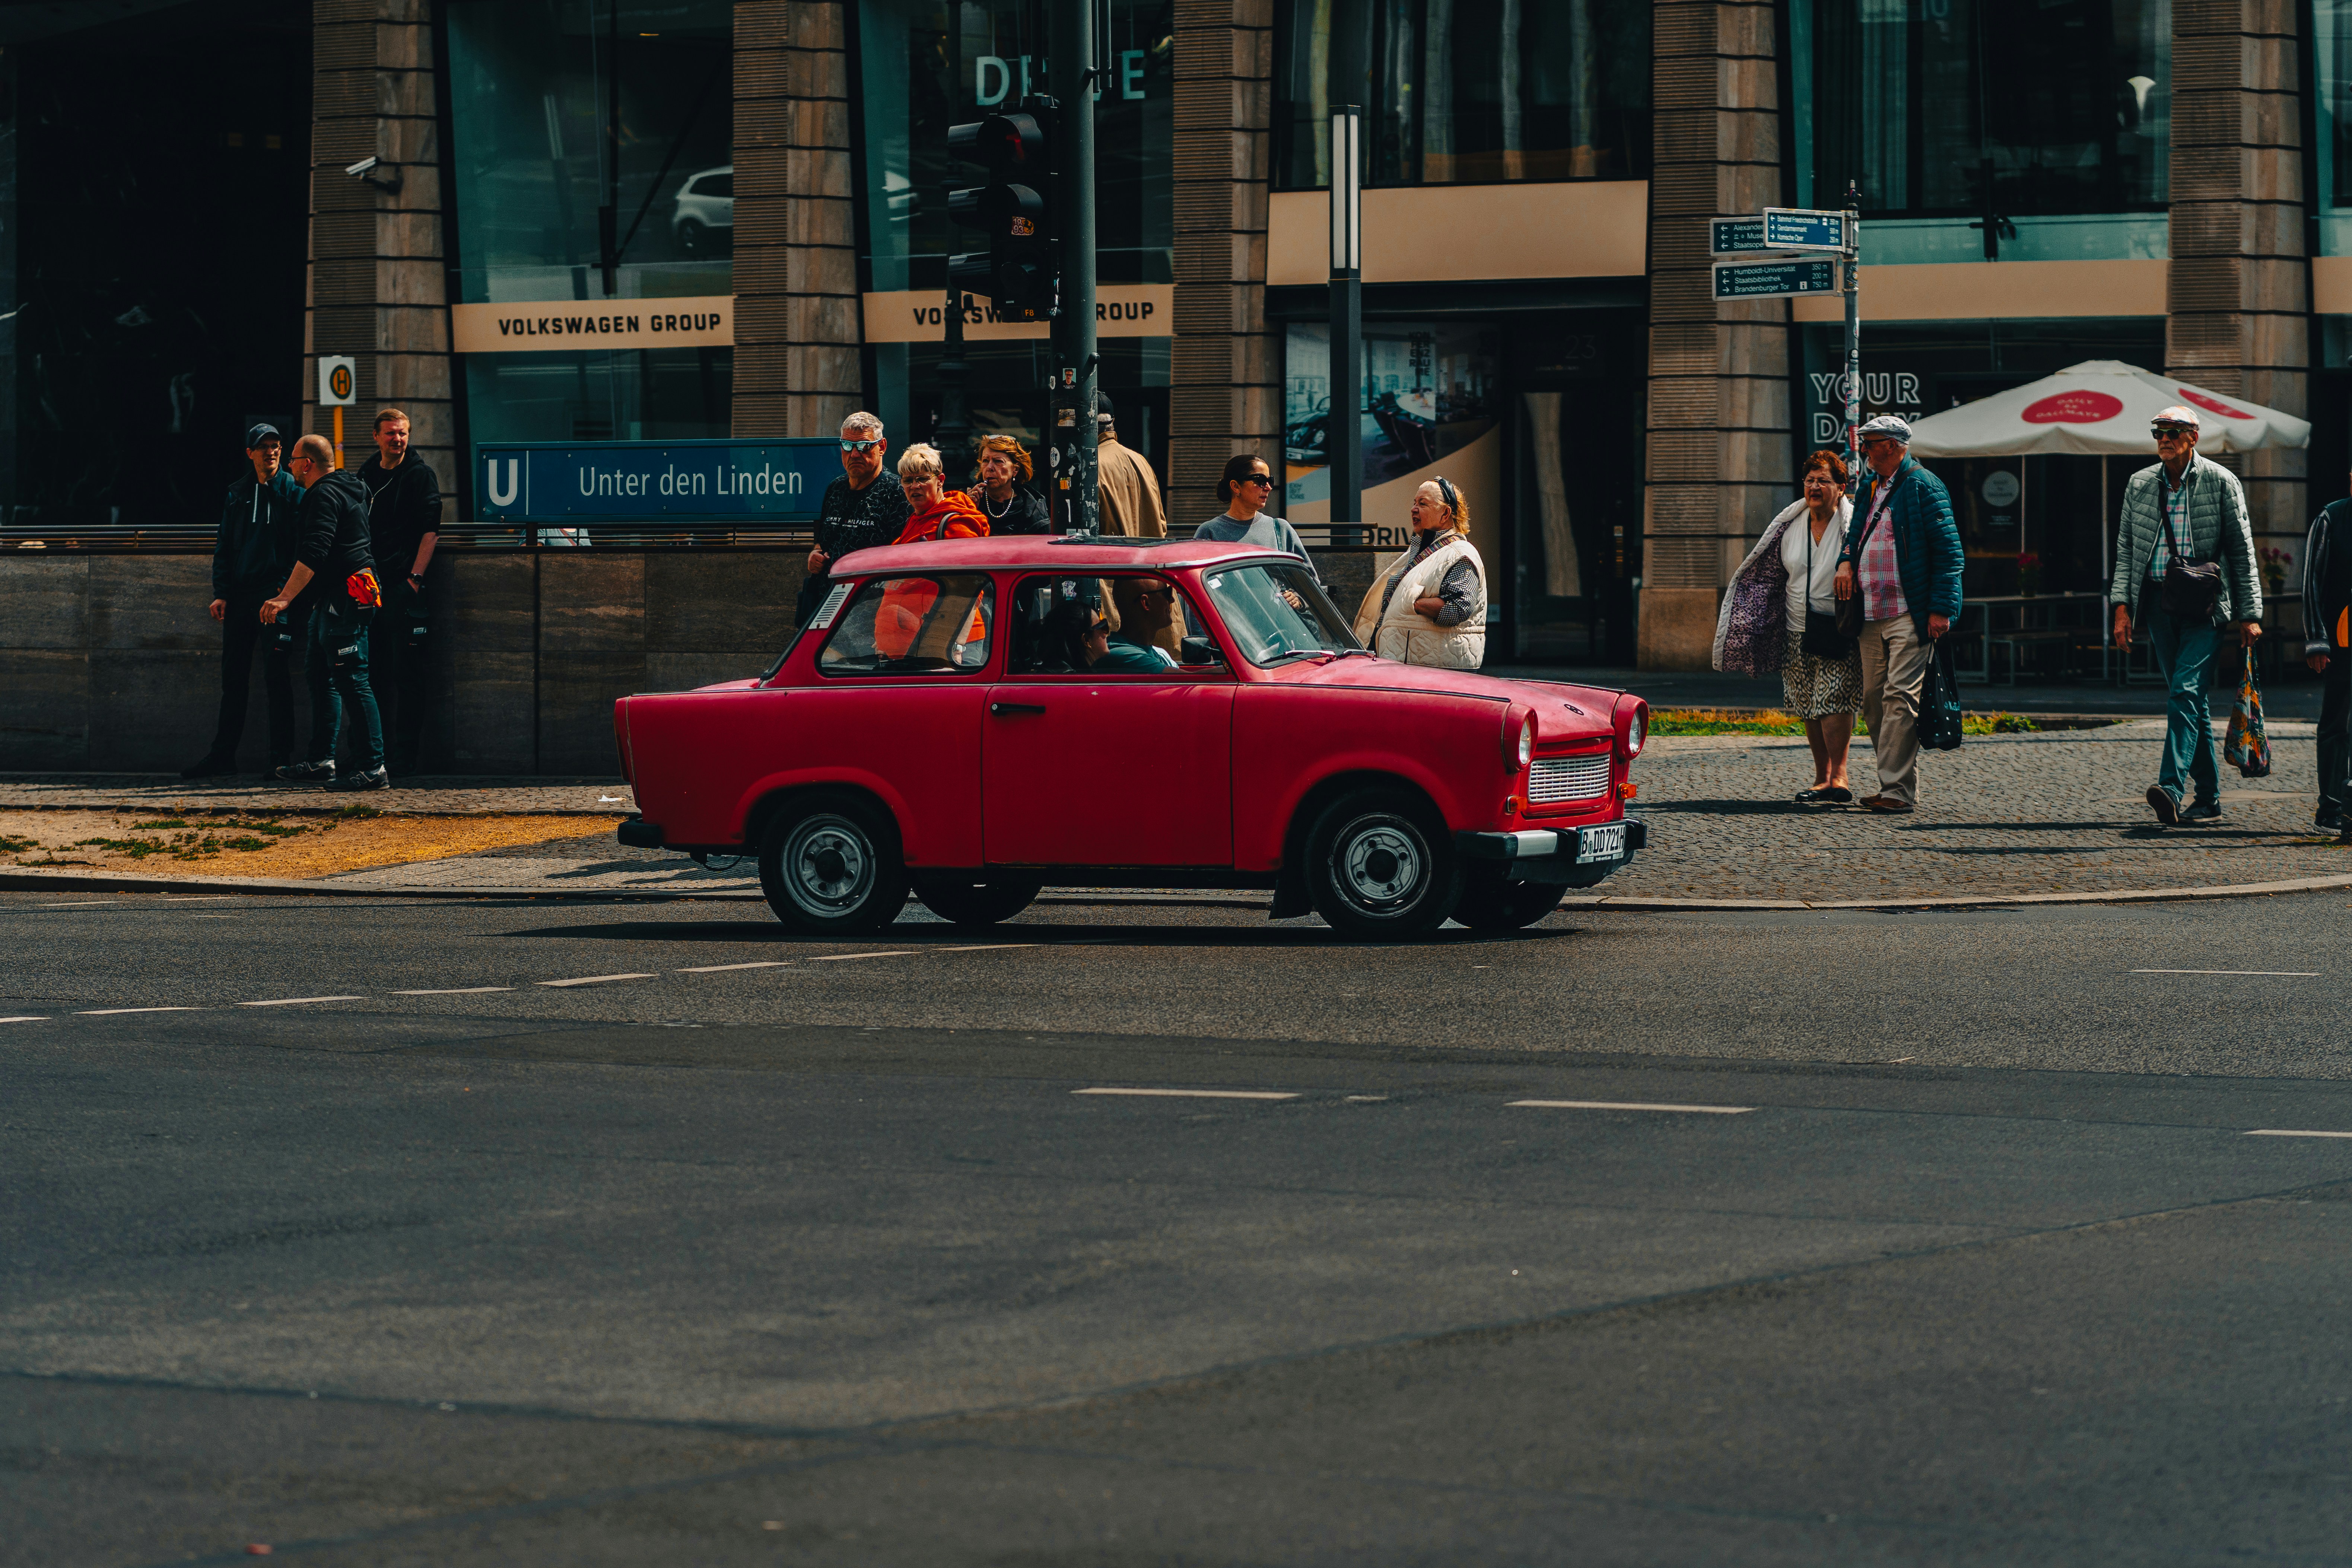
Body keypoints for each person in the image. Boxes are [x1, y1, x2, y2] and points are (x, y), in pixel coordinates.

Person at [2109, 405, 2263, 826]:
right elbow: (2126, 549)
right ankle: (2209, 798)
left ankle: (2171, 788)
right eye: (2159, 430)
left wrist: (2250, 613)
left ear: (2193, 437)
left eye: (2174, 431)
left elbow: (2242, 551)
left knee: (2184, 691)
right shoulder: (2139, 484)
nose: (2164, 438)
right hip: (2159, 603)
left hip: (2206, 604)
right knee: (2188, 699)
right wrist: (2121, 607)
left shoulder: (2220, 481)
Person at [1833, 414, 1962, 816]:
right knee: (1873, 700)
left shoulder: (1924, 485)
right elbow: (1856, 533)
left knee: (1899, 697)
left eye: (1869, 443)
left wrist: (1941, 610)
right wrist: (1845, 561)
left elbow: (1949, 554)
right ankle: (1898, 783)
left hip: (1910, 610)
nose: (1864, 450)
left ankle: (1895, 789)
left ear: (1891, 445)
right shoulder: (1871, 484)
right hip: (1870, 610)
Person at [1717, 451, 1863, 804]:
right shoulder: (1790, 524)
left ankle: (1840, 776)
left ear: (1841, 488)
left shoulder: (1852, 525)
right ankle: (1821, 777)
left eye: (1823, 481)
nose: (1815, 487)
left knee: (1834, 699)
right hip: (1796, 625)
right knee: (1807, 703)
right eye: (1810, 480)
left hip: (1837, 624)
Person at [182, 424, 308, 778]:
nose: (271, 452)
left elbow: (301, 549)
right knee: (233, 679)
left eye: (276, 446)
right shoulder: (237, 493)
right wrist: (221, 591)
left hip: (276, 597)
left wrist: (285, 595)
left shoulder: (292, 492)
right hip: (239, 598)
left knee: (278, 679)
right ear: (250, 453)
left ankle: (280, 758)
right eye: (263, 447)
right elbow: (224, 545)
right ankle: (223, 756)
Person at [264, 434, 386, 791]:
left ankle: (373, 767)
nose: (289, 465)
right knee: (320, 675)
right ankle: (321, 760)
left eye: (294, 459)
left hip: (346, 598)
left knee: (353, 679)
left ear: (307, 464)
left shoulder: (324, 495)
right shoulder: (349, 487)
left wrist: (285, 597)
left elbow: (315, 551)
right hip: (332, 599)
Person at [355, 408, 441, 775]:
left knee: (407, 676)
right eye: (391, 433)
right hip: (368, 588)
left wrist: (414, 580)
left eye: (403, 433)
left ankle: (404, 757)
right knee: (367, 675)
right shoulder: (366, 474)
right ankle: (369, 755)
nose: (398, 439)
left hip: (404, 588)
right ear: (377, 436)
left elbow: (430, 530)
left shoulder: (420, 475)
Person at [1349, 476, 1486, 668]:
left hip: (1435, 673)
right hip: (1411, 666)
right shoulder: (1421, 551)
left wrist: (1415, 604)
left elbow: (1458, 607)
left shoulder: (1460, 554)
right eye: (1415, 503)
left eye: (1423, 504)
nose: (1414, 509)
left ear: (1445, 514)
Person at [799, 412, 911, 624]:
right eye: (847, 446)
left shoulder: (897, 492)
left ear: (883, 447)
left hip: (870, 609)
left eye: (864, 447)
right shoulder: (835, 488)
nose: (855, 454)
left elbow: (904, 558)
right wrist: (814, 555)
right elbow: (822, 541)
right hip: (827, 606)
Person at [1194, 453, 1323, 591]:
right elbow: (1196, 590)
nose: (1268, 487)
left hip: (1274, 613)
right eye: (1260, 480)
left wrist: (1297, 598)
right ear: (1236, 487)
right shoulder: (1209, 532)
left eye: (1270, 481)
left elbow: (1311, 582)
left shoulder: (1280, 530)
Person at [2305, 476, 2352, 837]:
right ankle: (2331, 806)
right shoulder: (2330, 518)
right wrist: (2317, 641)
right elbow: (2312, 584)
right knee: (2336, 721)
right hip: (2341, 638)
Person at [1094, 393, 1167, 538]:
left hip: (1112, 558)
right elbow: (1162, 525)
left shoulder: (1092, 467)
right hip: (1147, 557)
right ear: (1113, 421)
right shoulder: (1142, 462)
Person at [893, 443, 990, 542]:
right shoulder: (915, 520)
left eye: (922, 479)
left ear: (940, 481)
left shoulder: (957, 524)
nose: (914, 486)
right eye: (908, 481)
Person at [964, 434, 1051, 535]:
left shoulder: (1032, 510)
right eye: (986, 461)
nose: (990, 467)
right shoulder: (967, 500)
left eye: (998, 462)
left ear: (1015, 470)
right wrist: (969, 510)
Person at [1104, 577, 1183, 670]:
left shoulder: (1161, 654)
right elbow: (1192, 680)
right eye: (1167, 594)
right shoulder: (1122, 655)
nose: (1172, 600)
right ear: (1146, 603)